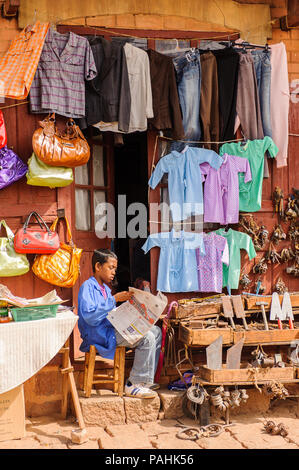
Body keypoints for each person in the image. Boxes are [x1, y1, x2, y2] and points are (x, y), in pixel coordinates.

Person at [78, 248, 162, 399]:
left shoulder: (105, 290)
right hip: (99, 336)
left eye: (115, 269)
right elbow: (90, 317)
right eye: (110, 268)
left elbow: (110, 314)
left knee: (155, 330)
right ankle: (133, 384)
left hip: (109, 330)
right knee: (146, 337)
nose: (114, 272)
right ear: (98, 266)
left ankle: (146, 382)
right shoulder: (87, 287)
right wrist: (115, 299)